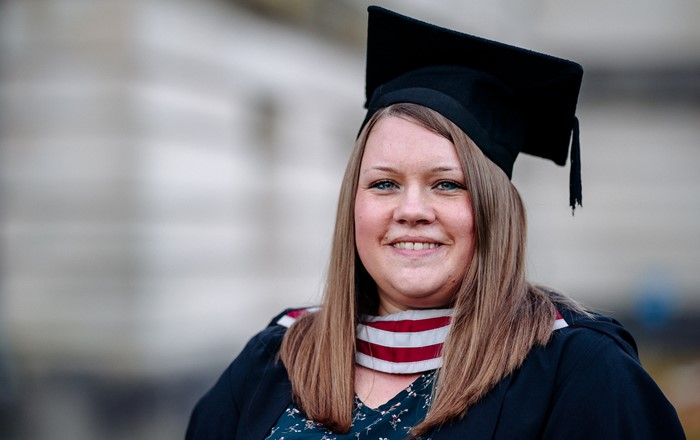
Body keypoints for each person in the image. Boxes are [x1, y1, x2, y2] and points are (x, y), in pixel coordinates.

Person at [186, 6, 685, 439]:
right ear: (352, 206)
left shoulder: (578, 373)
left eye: (447, 184)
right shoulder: (276, 359)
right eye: (384, 184)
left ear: (495, 209)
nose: (411, 209)